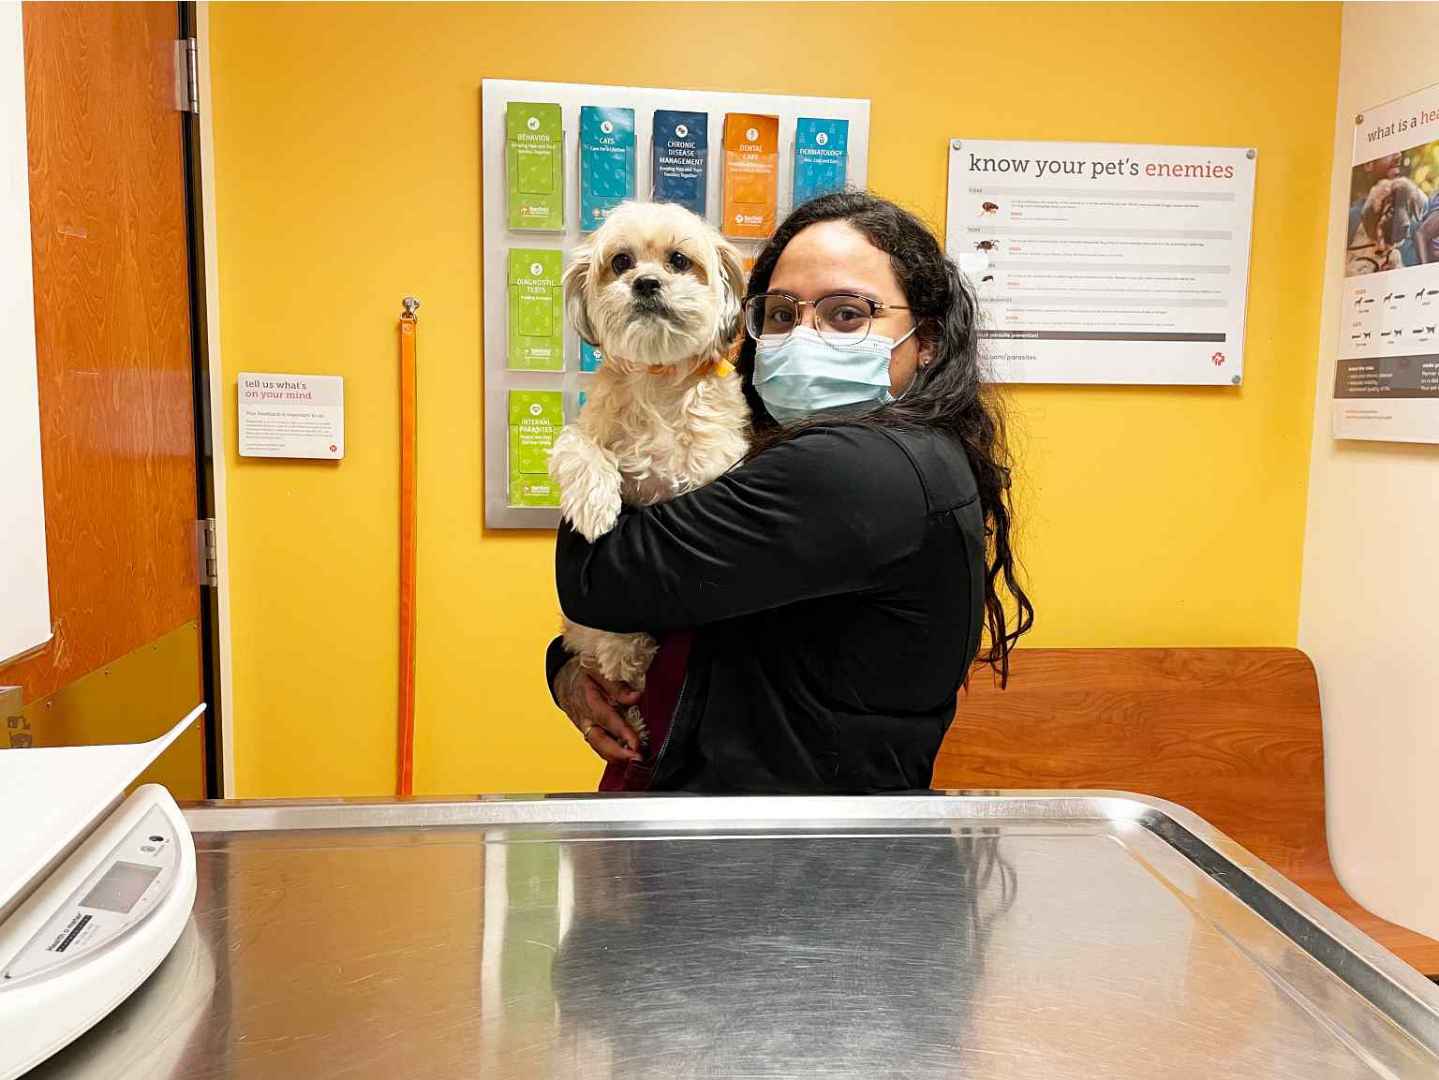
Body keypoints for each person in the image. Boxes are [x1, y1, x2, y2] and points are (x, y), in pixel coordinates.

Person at [545, 190, 1033, 793]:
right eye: (781, 315)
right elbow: (688, 605)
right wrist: (571, 670)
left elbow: (599, 577)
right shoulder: (789, 440)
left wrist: (601, 447)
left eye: (847, 314)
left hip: (784, 855)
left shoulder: (858, 471)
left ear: (927, 339)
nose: (804, 337)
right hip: (709, 819)